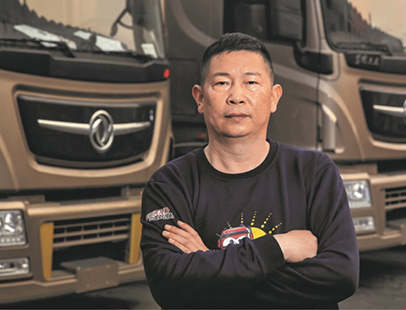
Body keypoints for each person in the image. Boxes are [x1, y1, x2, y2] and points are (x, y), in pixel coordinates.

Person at [141, 32, 359, 309]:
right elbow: (169, 285)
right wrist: (279, 247)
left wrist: (209, 263)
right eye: (222, 83)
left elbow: (341, 276)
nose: (236, 97)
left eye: (251, 83)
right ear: (200, 98)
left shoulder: (313, 172)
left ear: (274, 97)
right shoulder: (170, 184)